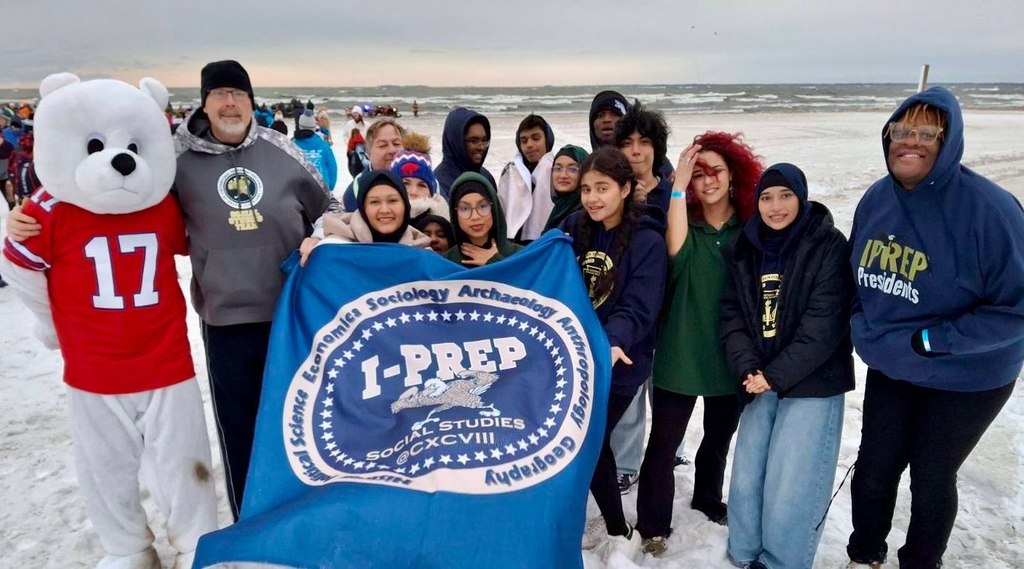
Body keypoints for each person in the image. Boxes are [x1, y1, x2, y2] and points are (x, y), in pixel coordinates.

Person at [7, 61, 334, 521]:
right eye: (219, 94)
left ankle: (307, 508)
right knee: (240, 428)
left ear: (251, 100)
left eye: (238, 94)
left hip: (293, 313)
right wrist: (34, 211)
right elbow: (114, 199)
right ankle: (251, 520)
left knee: (300, 419)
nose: (229, 103)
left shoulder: (284, 151)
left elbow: (330, 207)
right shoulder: (175, 159)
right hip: (226, 317)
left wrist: (321, 236)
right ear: (204, 102)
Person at [844, 87, 1024, 569]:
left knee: (930, 475)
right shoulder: (877, 198)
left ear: (948, 142)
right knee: (875, 471)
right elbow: (855, 274)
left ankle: (921, 562)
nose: (912, 142)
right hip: (895, 363)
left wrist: (931, 341)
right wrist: (862, 325)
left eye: (928, 133)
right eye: (903, 131)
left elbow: (1016, 308)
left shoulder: (991, 210)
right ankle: (864, 555)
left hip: (970, 376)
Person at [720, 163, 855, 569]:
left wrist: (773, 376)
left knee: (793, 480)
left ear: (801, 197)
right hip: (757, 376)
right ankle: (743, 552)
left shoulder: (828, 245)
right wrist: (748, 367)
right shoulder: (745, 247)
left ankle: (781, 561)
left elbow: (824, 324)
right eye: (766, 197)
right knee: (749, 472)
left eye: (785, 196)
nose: (775, 207)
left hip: (812, 381)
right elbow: (732, 316)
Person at [634, 132, 763, 556]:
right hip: (681, 348)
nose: (708, 181)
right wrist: (678, 183)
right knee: (663, 442)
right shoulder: (682, 221)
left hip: (731, 352)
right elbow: (675, 250)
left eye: (716, 172)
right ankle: (654, 525)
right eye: (700, 173)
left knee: (718, 436)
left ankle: (707, 497)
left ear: (733, 177)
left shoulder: (749, 229)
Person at [561, 146, 667, 563]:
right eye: (587, 188)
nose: (592, 198)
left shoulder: (647, 241)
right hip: (578, 357)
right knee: (586, 439)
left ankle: (620, 529)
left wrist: (610, 342)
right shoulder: (574, 226)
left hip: (620, 362)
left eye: (602, 188)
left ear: (625, 188)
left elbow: (640, 306)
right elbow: (546, 264)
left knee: (593, 438)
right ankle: (612, 522)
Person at [299, 170, 430, 262]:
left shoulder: (423, 253)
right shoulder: (335, 249)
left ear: (405, 206)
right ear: (363, 209)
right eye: (374, 202)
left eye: (392, 201)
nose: (384, 210)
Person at [497, 114, 556, 243]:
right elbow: (501, 208)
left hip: (547, 239)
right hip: (513, 240)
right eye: (524, 141)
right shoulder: (510, 172)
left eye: (536, 138)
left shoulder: (557, 169)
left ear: (548, 139)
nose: (529, 145)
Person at [443, 172, 520, 267]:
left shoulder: (520, 255)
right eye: (464, 209)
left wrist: (494, 261)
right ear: (454, 214)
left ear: (494, 208)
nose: (475, 217)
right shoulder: (446, 262)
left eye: (483, 206)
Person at [615, 101, 672, 213]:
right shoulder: (611, 196)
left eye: (644, 142)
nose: (636, 151)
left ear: (656, 148)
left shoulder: (674, 193)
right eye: (627, 143)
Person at [341, 118, 405, 211]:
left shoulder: (417, 180)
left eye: (396, 143)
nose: (392, 150)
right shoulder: (356, 191)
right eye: (383, 145)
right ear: (368, 153)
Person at [434, 108, 496, 200]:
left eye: (484, 141)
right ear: (456, 142)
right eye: (474, 141)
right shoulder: (438, 186)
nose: (481, 147)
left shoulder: (485, 176)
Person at [390, 150, 448, 221]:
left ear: (430, 194)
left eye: (421, 186)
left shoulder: (444, 227)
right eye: (405, 184)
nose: (413, 192)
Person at [542, 144, 589, 232]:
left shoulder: (585, 215)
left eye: (572, 169)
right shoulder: (559, 208)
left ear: (585, 173)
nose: (563, 175)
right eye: (558, 168)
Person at [293, 113, 338, 191]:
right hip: (322, 190)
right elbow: (332, 166)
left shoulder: (292, 145)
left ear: (299, 126)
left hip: (299, 190)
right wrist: (330, 185)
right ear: (314, 127)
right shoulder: (323, 146)